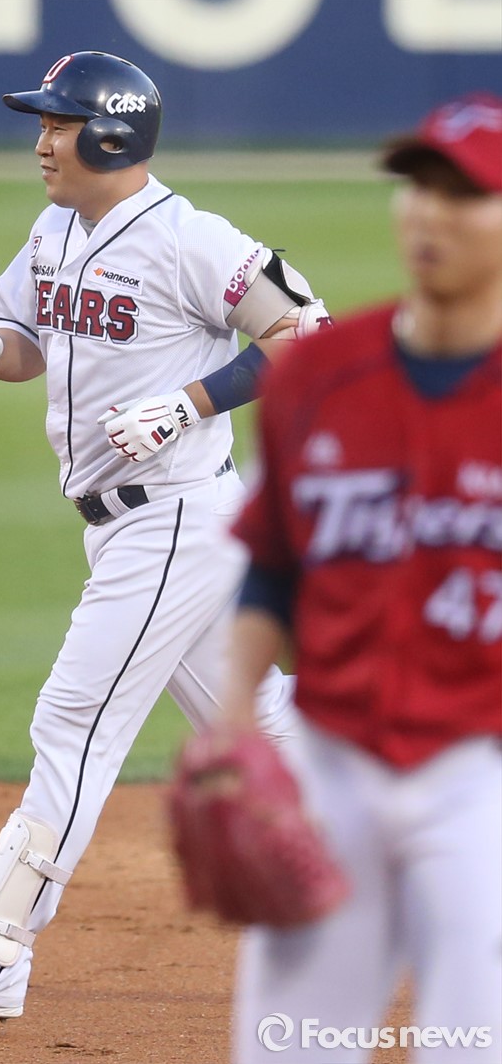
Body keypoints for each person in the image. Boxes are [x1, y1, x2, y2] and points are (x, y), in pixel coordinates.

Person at [0, 50, 330, 1019]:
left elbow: (305, 328)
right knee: (258, 721)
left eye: (58, 124)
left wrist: (189, 402)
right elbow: (28, 340)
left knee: (73, 721)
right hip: (134, 526)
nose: (42, 143)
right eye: (42, 124)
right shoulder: (55, 230)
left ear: (113, 134)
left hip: (173, 518)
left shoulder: (188, 238)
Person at [217, 93, 502, 1062]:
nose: (430, 213)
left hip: (480, 779)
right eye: (418, 186)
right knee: (289, 1048)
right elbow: (270, 568)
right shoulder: (319, 374)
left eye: (464, 194)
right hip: (330, 769)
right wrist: (230, 721)